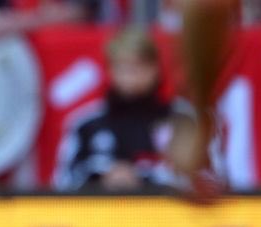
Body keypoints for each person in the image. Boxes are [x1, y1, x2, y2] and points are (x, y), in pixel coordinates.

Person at [53, 27, 185, 192]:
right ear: (110, 71)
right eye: (122, 67)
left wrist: (142, 178)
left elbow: (206, 180)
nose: (130, 76)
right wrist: (102, 177)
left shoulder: (183, 121)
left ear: (155, 69)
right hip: (99, 215)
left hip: (166, 215)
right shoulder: (86, 124)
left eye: (137, 66)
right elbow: (62, 183)